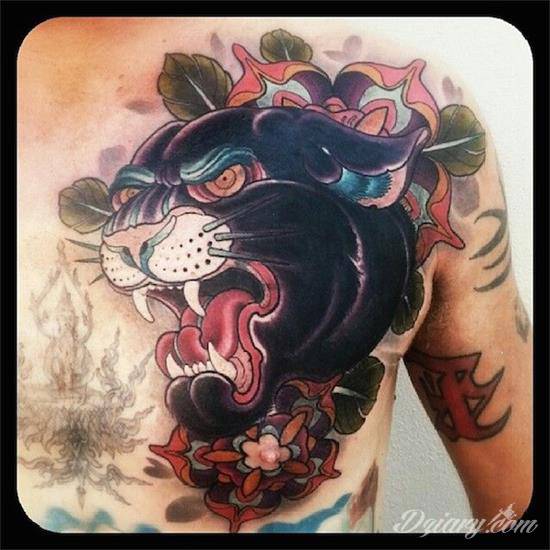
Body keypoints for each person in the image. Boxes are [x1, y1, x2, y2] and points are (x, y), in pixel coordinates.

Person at [17, 18, 532, 534]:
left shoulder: (418, 99)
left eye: (224, 177)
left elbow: (519, 510)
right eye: (132, 197)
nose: (131, 233)